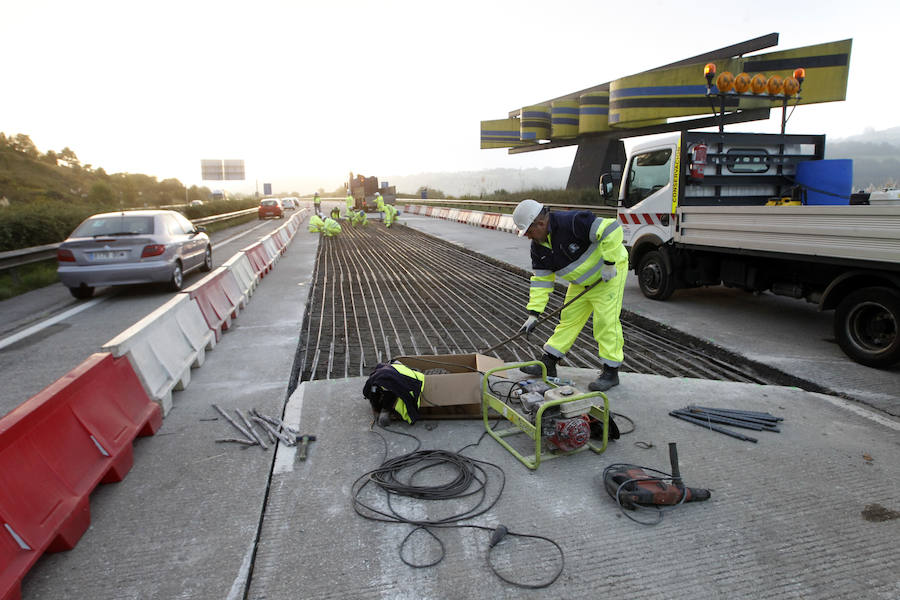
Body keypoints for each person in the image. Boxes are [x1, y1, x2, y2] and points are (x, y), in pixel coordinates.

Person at [513, 198, 628, 392]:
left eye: (529, 232)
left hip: (607, 277)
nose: (528, 237)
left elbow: (611, 228)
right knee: (568, 319)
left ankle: (611, 371)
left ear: (541, 223)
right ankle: (549, 362)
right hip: (580, 283)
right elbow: (541, 282)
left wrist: (609, 262)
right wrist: (534, 313)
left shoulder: (573, 222)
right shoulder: (538, 248)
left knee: (605, 322)